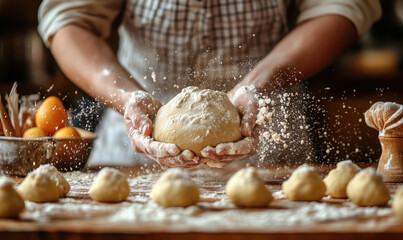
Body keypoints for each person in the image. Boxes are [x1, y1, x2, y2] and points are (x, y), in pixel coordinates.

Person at [38, 0, 381, 168]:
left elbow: (342, 6)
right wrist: (128, 98)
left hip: (266, 140)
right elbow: (69, 19)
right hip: (137, 145)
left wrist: (258, 84)